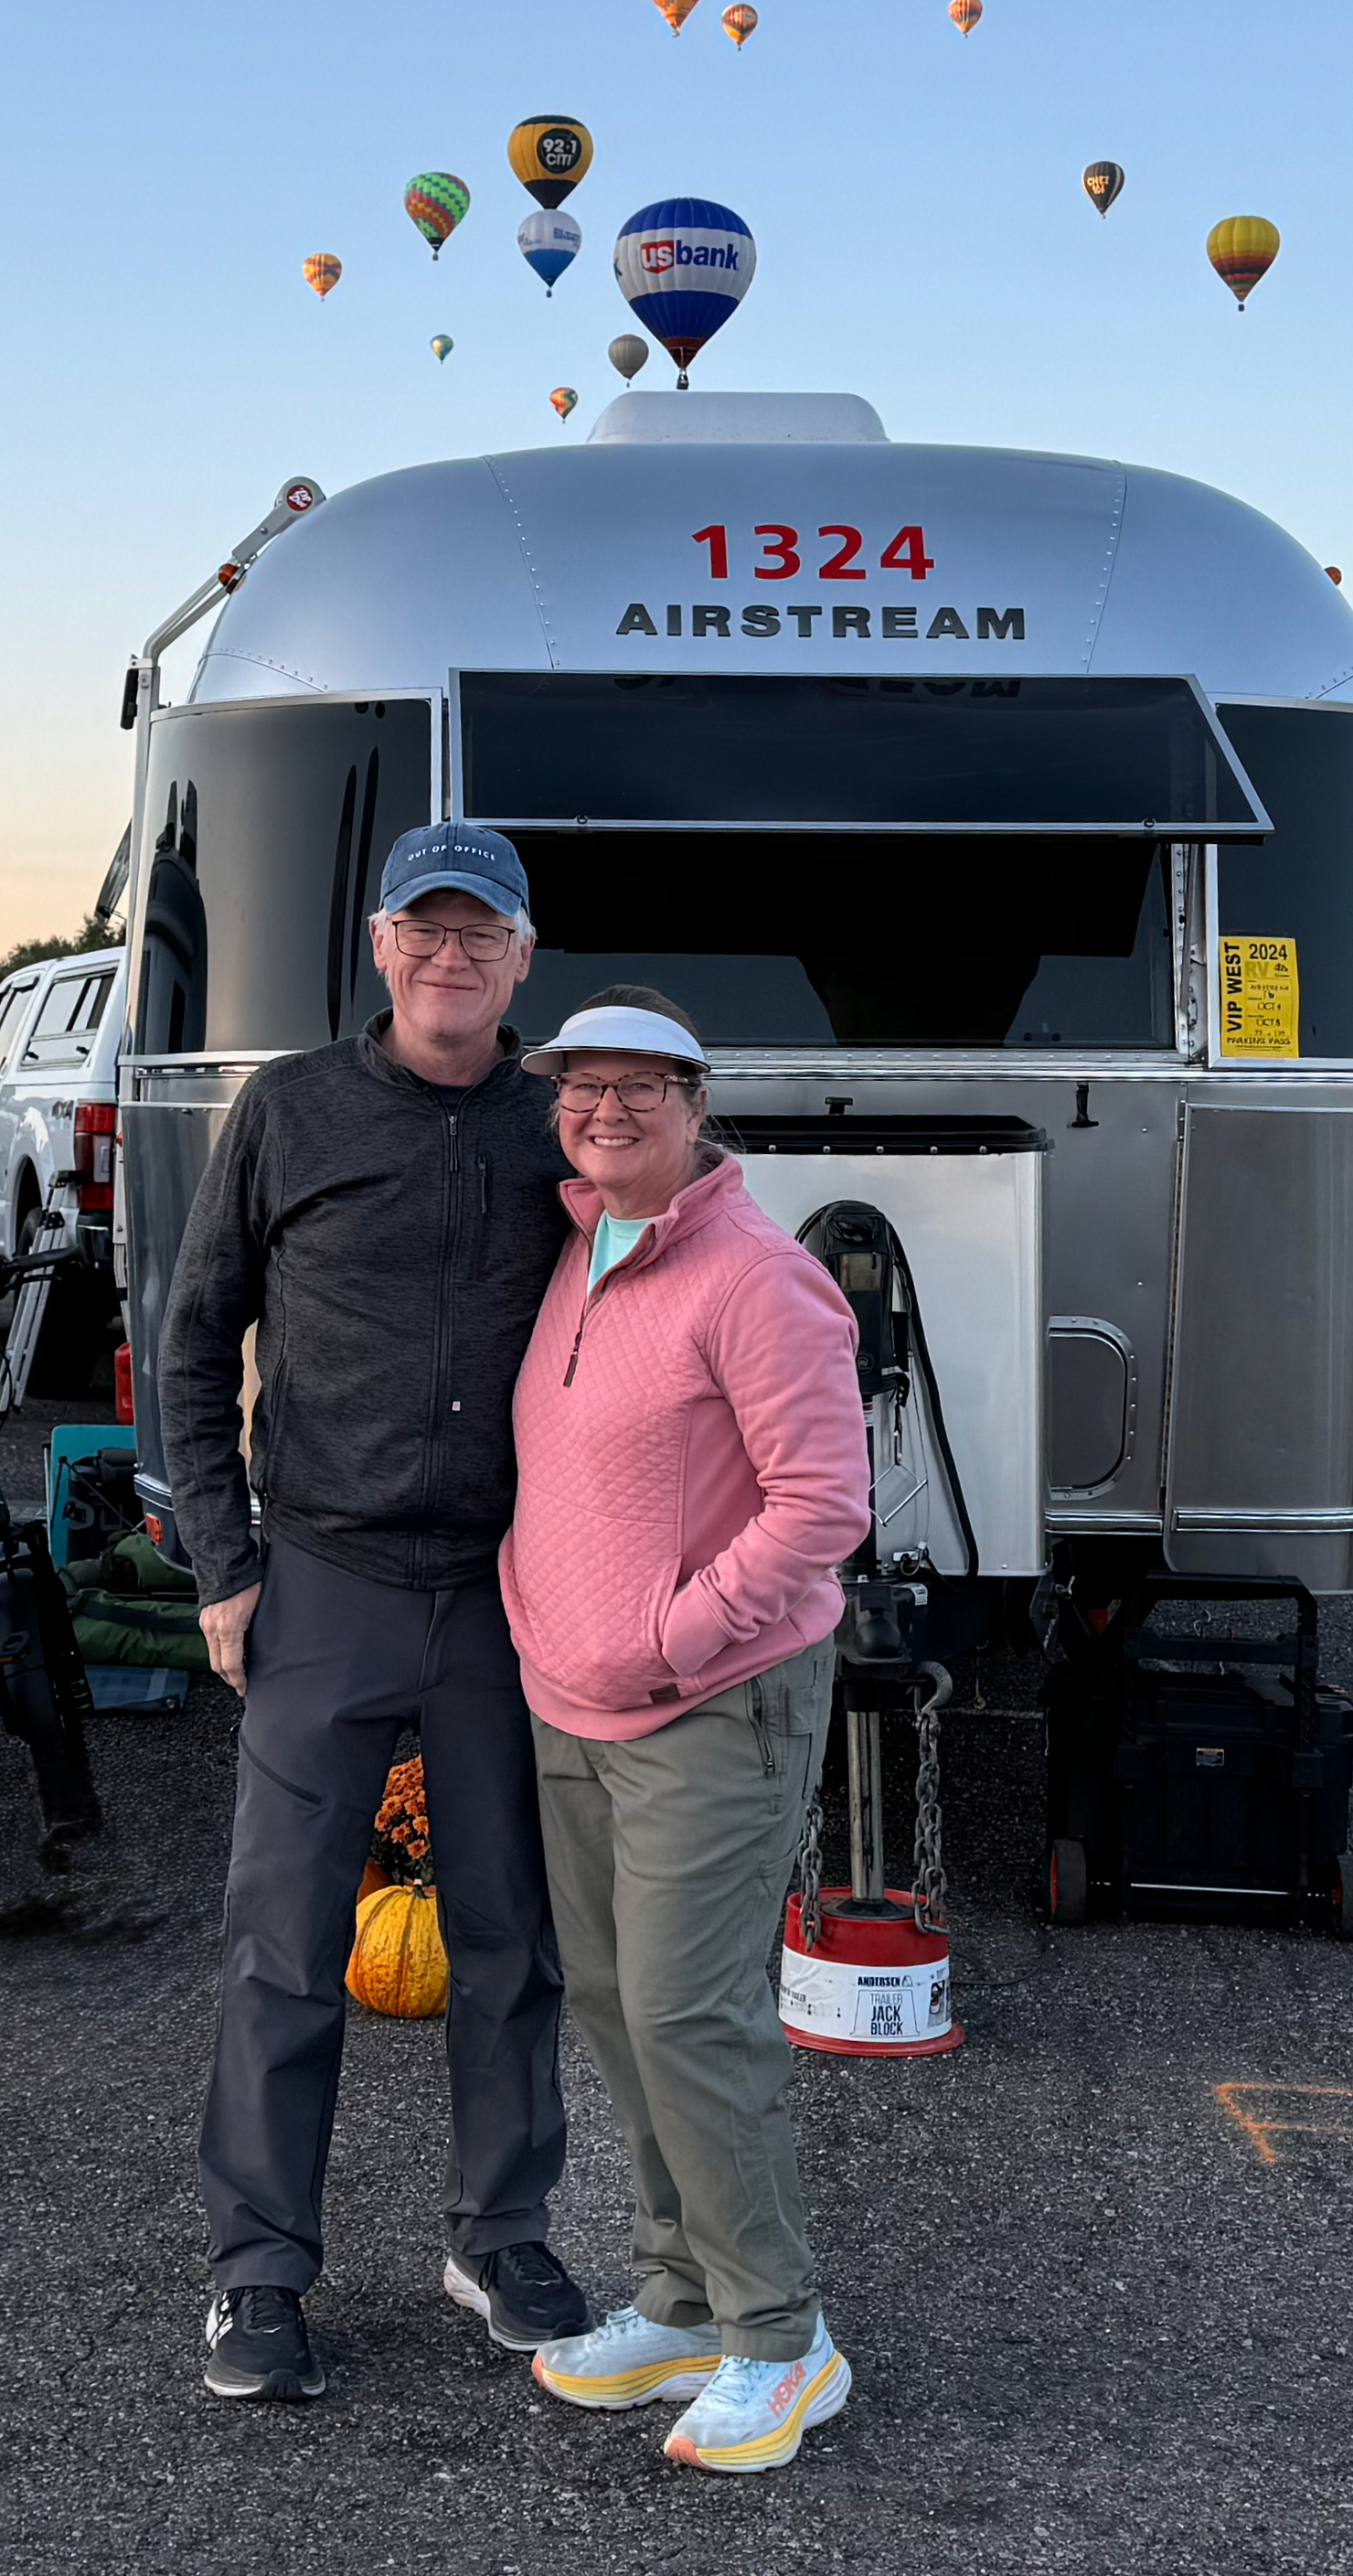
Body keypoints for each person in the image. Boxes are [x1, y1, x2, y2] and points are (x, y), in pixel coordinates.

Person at [157, 821, 589, 2402]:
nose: (449, 956)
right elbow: (194, 1339)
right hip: (323, 1576)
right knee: (284, 1939)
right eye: (425, 928)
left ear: (521, 957)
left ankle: (501, 2230)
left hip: (503, 1588)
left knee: (509, 1934)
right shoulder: (290, 1107)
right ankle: (258, 2268)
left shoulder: (565, 1120)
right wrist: (223, 1561)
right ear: (381, 945)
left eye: (482, 932)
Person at [498, 988, 874, 2474]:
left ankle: (780, 2337)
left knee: (689, 2014)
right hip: (567, 1700)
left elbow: (821, 1506)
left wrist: (673, 1634)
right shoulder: (579, 1244)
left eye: (639, 1086)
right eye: (580, 1085)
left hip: (712, 1706)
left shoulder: (757, 1276)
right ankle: (680, 2298)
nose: (604, 1110)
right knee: (612, 2001)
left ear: (695, 1102)